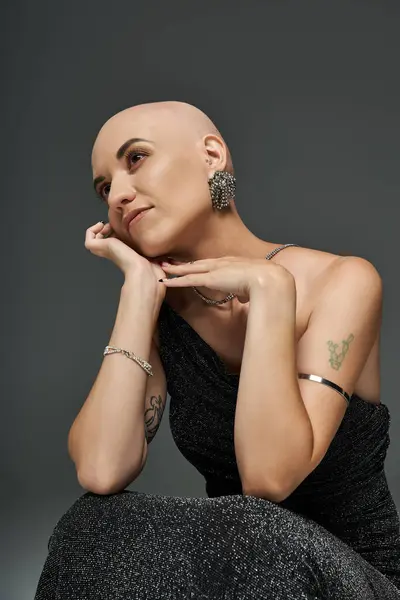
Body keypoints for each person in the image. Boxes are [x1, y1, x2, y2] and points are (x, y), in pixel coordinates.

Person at [34, 101, 400, 599]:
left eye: (135, 158)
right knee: (90, 527)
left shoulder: (344, 281)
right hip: (240, 564)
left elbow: (268, 481)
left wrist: (271, 291)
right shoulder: (165, 315)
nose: (118, 194)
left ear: (211, 155)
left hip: (355, 575)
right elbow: (101, 470)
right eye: (104, 188)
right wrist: (138, 292)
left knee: (261, 530)